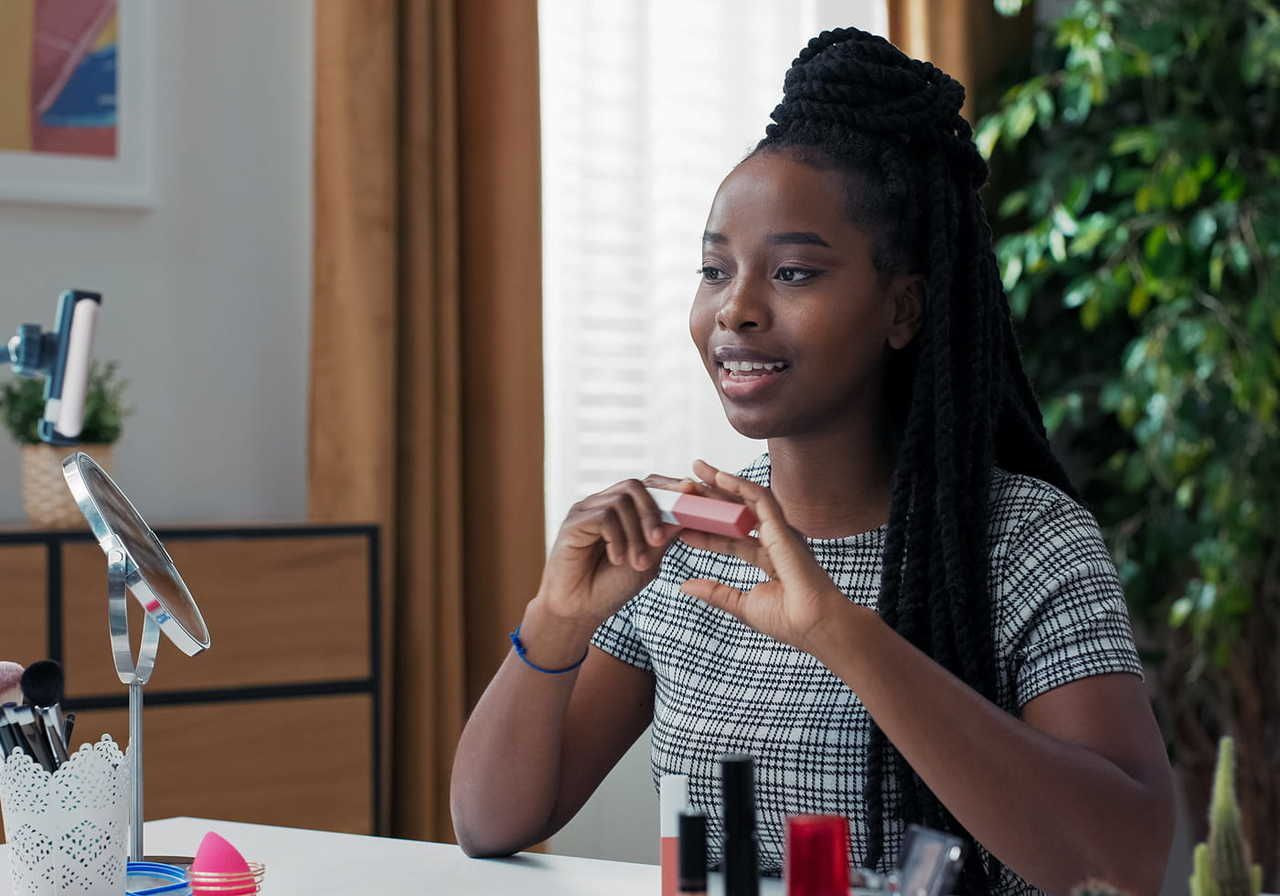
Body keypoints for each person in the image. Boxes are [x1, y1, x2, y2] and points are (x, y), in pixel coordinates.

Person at [450, 27, 1174, 895]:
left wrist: (840, 632)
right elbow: (489, 822)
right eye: (714, 269)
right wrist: (557, 620)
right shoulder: (689, 544)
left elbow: (1127, 859)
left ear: (902, 308)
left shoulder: (1027, 542)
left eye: (793, 274)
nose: (737, 310)